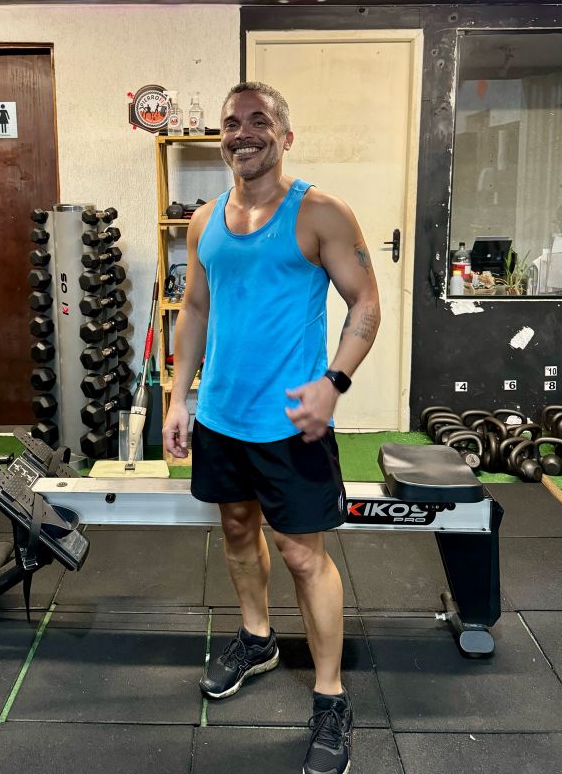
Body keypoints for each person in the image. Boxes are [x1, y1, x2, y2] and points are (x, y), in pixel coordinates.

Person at [162, 81, 380, 774]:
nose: (243, 132)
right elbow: (195, 310)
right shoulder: (204, 221)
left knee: (302, 556)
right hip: (221, 416)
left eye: (259, 120)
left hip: (291, 423)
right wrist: (178, 398)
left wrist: (334, 383)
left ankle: (330, 696)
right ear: (221, 137)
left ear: (285, 136)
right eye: (232, 122)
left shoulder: (319, 213)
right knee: (235, 529)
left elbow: (366, 304)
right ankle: (256, 639)